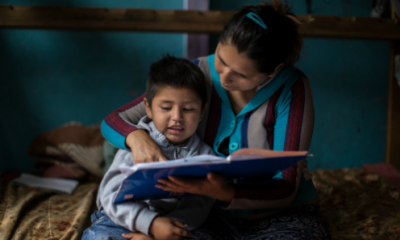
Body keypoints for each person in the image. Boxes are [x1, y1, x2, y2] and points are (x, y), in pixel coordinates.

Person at [101, 1, 329, 239]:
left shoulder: (292, 89)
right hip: (209, 219)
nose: (225, 77)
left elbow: (286, 187)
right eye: (221, 59)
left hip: (282, 216)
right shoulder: (197, 72)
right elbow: (113, 120)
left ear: (274, 71)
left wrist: (227, 191)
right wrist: (137, 138)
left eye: (241, 74)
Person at [82, 55, 216, 240]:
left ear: (202, 112)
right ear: (148, 108)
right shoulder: (137, 147)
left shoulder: (205, 156)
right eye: (166, 108)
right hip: (123, 219)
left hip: (175, 226)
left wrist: (166, 230)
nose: (177, 117)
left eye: (188, 109)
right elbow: (109, 197)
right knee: (98, 236)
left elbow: (199, 205)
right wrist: (151, 224)